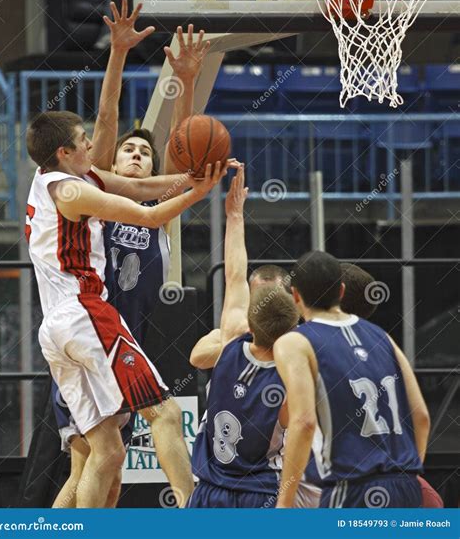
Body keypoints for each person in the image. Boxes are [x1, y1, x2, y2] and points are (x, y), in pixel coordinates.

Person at [49, 2, 213, 508]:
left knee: (105, 469)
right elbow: (106, 116)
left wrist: (187, 80)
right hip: (91, 331)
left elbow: (187, 155)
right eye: (128, 151)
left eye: (145, 152)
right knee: (90, 459)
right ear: (110, 163)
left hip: (121, 339)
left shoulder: (159, 200)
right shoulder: (94, 191)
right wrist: (118, 54)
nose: (138, 155)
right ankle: (194, 509)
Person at [25, 103, 228, 508]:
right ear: (64, 152)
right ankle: (197, 519)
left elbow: (138, 188)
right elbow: (147, 216)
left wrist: (189, 178)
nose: (91, 145)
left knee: (106, 455)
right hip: (87, 315)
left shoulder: (46, 177)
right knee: (166, 416)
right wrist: (200, 193)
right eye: (82, 141)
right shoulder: (72, 189)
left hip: (57, 330)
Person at [272, 251, 431, 508]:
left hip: (350, 488)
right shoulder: (382, 337)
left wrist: (284, 503)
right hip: (405, 485)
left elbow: (303, 422)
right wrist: (409, 472)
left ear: (296, 296)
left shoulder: (295, 342)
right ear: (342, 291)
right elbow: (421, 416)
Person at [188, 167, 299, 507]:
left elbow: (234, 273)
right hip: (260, 492)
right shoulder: (297, 364)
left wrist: (234, 214)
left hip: (211, 490)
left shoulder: (232, 337)